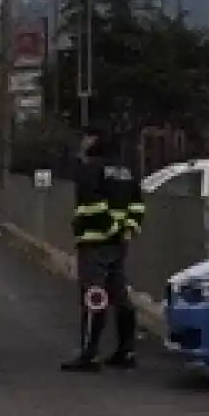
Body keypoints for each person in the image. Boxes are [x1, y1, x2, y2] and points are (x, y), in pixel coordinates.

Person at [61, 125, 145, 372]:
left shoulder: (91, 168)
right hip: (119, 243)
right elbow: (138, 205)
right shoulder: (127, 171)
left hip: (95, 240)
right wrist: (125, 229)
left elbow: (91, 203)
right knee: (120, 295)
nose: (83, 142)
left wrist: (107, 227)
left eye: (86, 137)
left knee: (94, 295)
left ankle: (89, 353)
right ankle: (126, 350)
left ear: (95, 140)